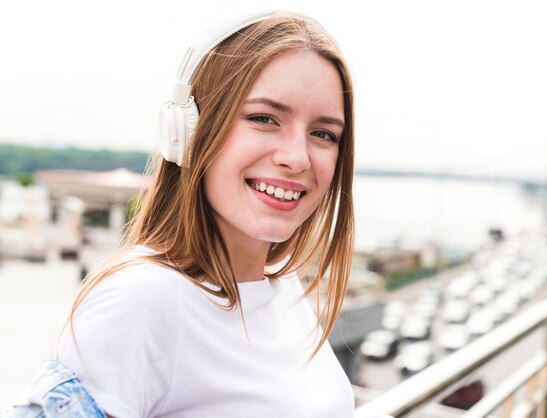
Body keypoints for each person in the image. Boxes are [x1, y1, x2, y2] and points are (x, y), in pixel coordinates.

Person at [8, 9, 357, 418]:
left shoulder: (282, 286)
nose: (297, 158)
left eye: (323, 134)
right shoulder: (142, 301)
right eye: (264, 119)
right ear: (187, 131)